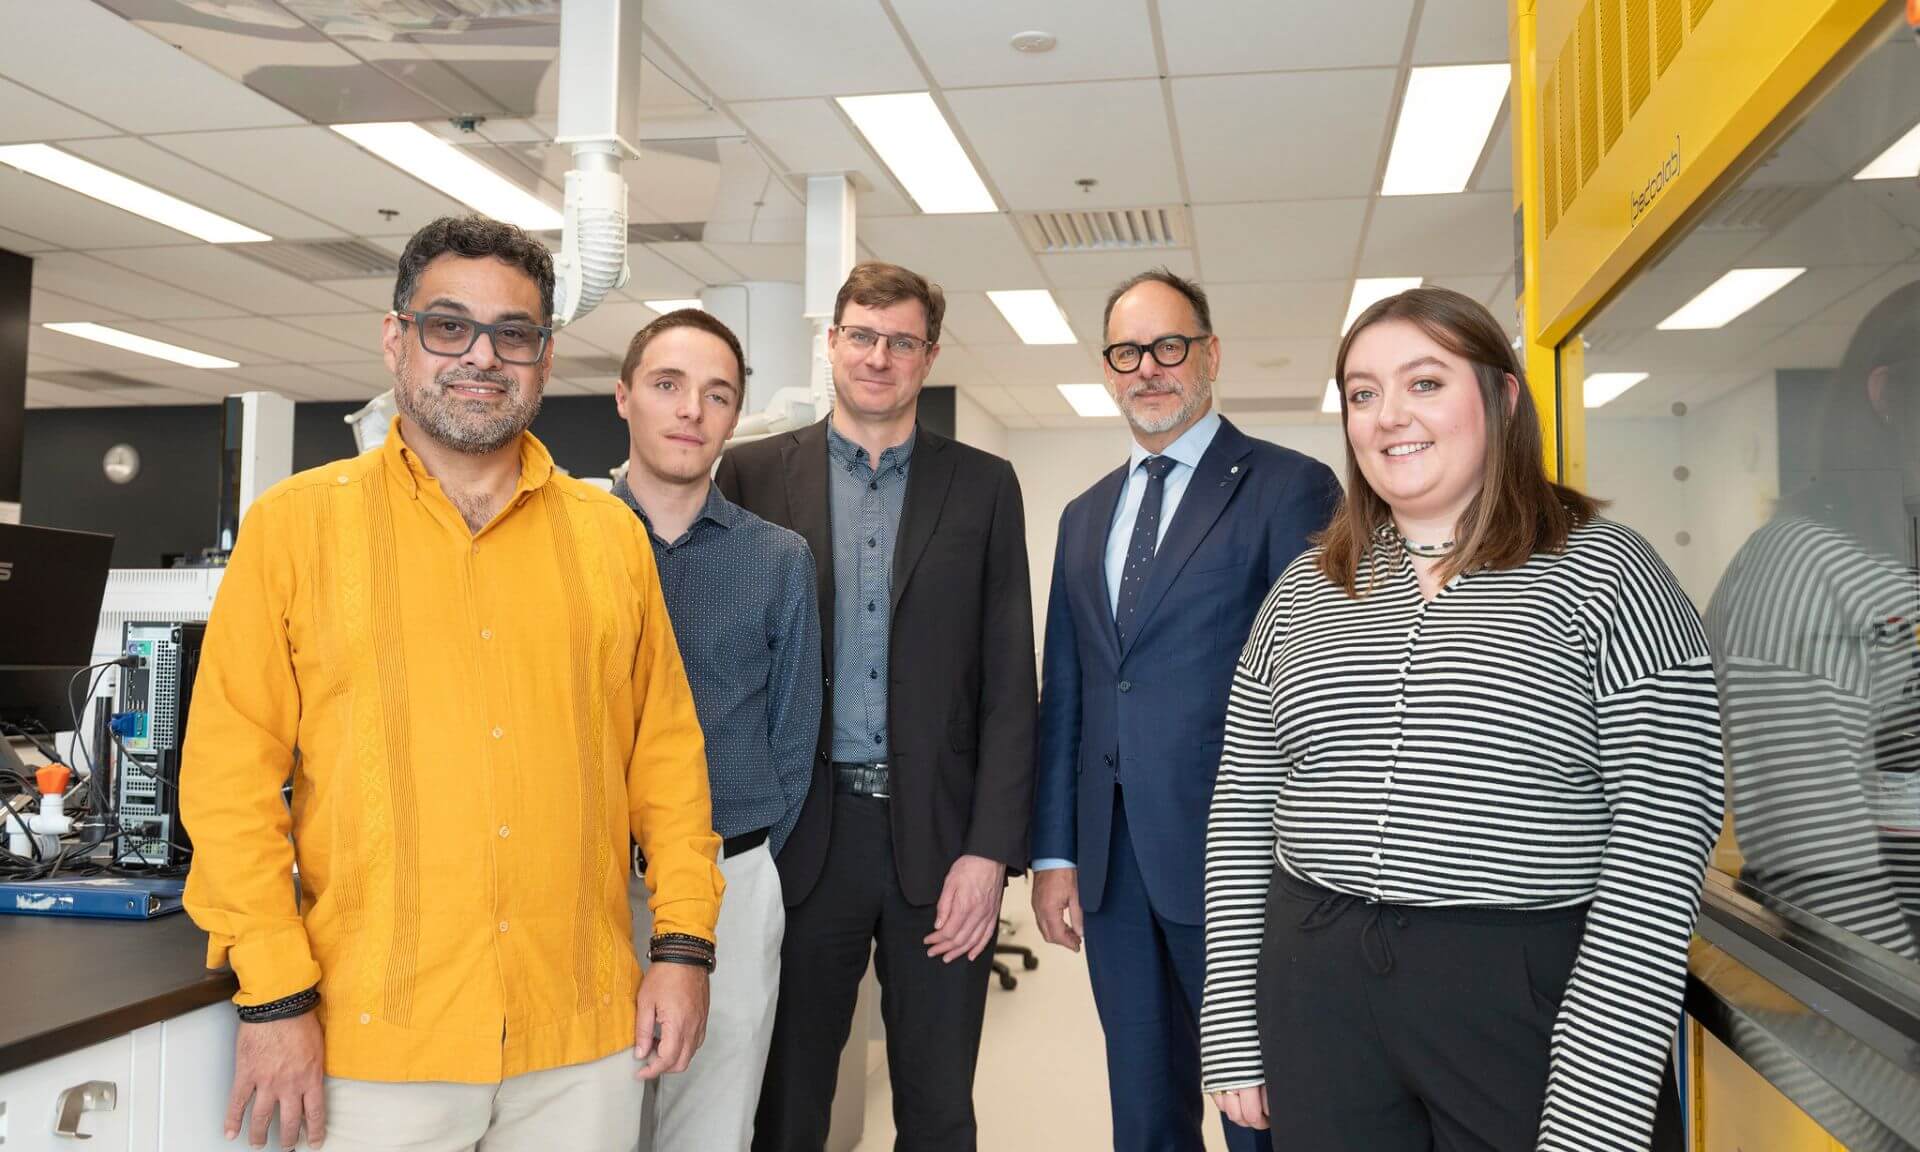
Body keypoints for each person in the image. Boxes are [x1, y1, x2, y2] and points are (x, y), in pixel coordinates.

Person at [182, 215, 723, 1152]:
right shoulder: (296, 530)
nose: (481, 355)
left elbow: (667, 764)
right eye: (448, 326)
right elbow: (229, 785)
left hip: (581, 1035)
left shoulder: (610, 540)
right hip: (375, 1042)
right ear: (396, 340)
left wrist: (681, 948)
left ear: (544, 359)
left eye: (512, 334)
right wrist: (273, 996)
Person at [1199, 286, 1722, 1151]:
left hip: (1523, 992)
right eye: (1362, 394)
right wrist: (1232, 1016)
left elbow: (1666, 824)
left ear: (1502, 398)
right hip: (1317, 983)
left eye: (1426, 383)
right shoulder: (1305, 589)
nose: (1389, 416)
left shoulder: (1606, 571)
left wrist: (1606, 1085)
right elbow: (1244, 800)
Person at [715, 261, 1038, 1152]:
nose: (879, 357)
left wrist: (989, 851)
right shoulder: (748, 476)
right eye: (862, 335)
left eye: (901, 341)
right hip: (799, 840)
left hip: (938, 845)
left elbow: (1012, 683)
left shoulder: (983, 486)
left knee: (938, 1111)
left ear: (927, 355)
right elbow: (728, 676)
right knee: (786, 1108)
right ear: (832, 343)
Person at [1027, 268, 1340, 1152]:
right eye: (1127, 352)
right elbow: (1073, 695)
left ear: (1209, 354)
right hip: (1114, 868)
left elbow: (1319, 692)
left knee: (1265, 1116)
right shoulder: (1086, 517)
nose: (1148, 369)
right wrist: (1056, 854)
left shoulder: (1290, 489)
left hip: (1243, 865)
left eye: (1169, 346)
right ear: (1106, 368)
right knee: (1144, 1111)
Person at [609, 307, 822, 1151]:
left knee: (711, 1127)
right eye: (668, 385)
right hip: (578, 890)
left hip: (731, 877)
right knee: (583, 1121)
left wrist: (749, 855)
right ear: (624, 398)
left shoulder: (778, 559)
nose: (691, 409)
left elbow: (795, 734)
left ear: (737, 417)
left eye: (717, 394)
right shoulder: (565, 541)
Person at [1707, 279, 1920, 958]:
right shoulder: (1807, 567)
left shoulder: (1900, 553)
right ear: (1887, 395)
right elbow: (1822, 876)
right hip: (1867, 1030)